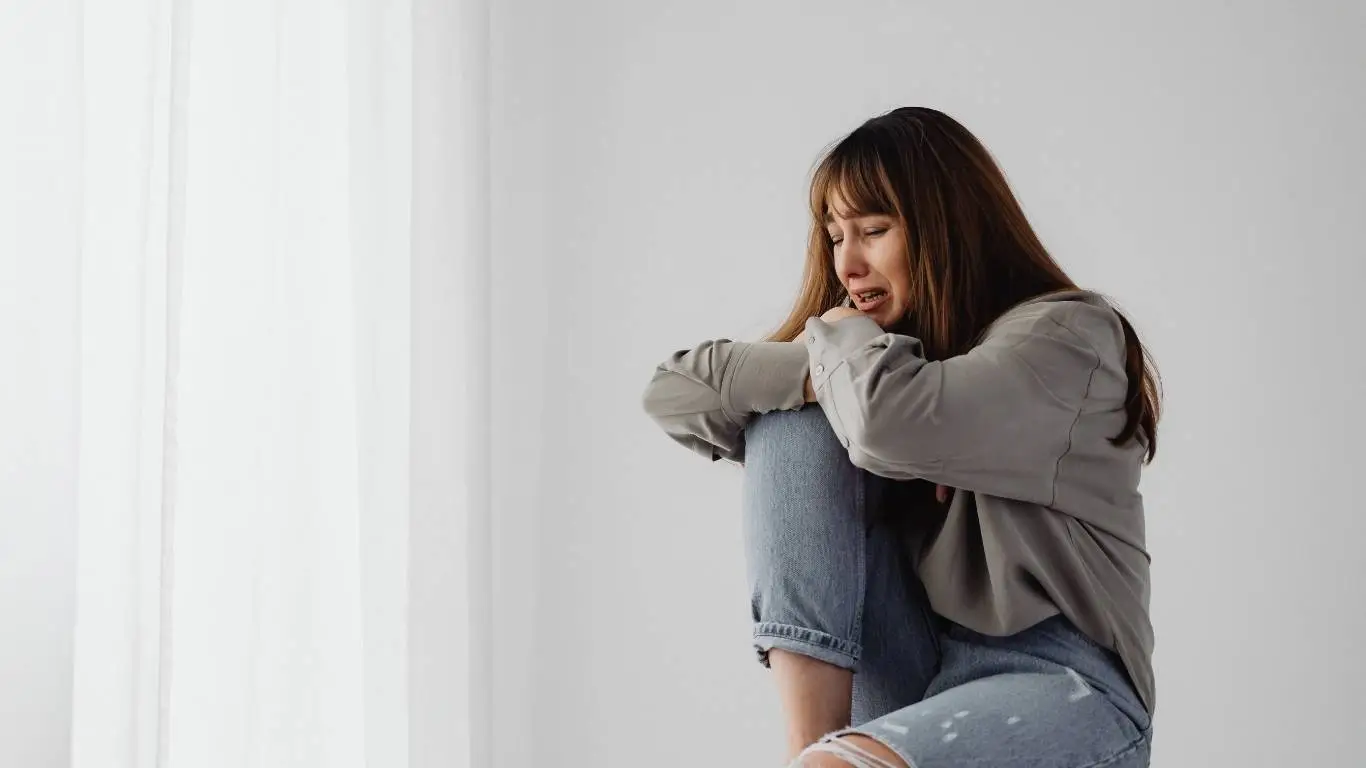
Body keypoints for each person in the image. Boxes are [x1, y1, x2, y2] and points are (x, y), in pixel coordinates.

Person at [640, 107, 1161, 768]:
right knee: (794, 422)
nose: (848, 264)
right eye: (835, 236)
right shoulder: (875, 371)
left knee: (824, 403)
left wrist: (842, 351)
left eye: (874, 231)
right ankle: (808, 750)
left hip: (1063, 687)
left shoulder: (1068, 336)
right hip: (909, 675)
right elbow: (673, 391)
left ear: (949, 226)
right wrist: (823, 371)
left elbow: (887, 423)